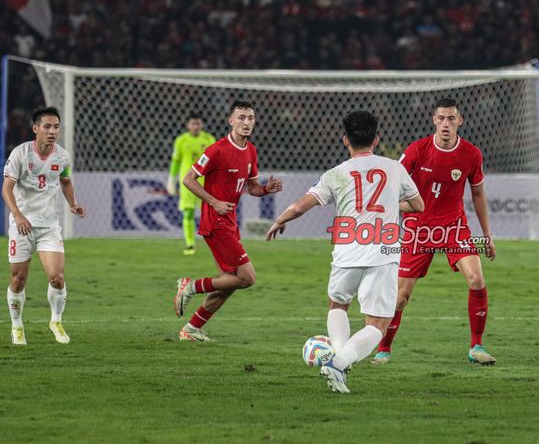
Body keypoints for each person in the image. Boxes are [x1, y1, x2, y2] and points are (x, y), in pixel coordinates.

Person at [266, 111, 424, 393]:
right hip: (382, 250)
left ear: (345, 140)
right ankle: (339, 363)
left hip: (347, 250)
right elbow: (418, 205)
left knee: (337, 304)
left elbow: (303, 204)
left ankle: (339, 358)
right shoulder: (394, 168)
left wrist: (280, 220)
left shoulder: (336, 173)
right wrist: (390, 205)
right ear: (376, 138)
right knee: (378, 324)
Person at [371, 98, 498, 366]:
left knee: (476, 279)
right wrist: (397, 209)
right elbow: (392, 189)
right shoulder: (417, 151)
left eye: (451, 119)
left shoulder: (472, 154)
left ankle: (476, 346)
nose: (446, 124)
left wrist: (487, 234)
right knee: (400, 298)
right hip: (418, 229)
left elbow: (477, 193)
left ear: (459, 122)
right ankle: (383, 349)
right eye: (441, 118)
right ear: (433, 120)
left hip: (454, 227)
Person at [173, 100, 283, 341]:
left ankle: (191, 329)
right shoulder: (216, 150)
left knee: (230, 282)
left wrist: (266, 189)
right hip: (216, 222)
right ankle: (190, 286)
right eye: (241, 117)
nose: (246, 122)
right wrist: (213, 202)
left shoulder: (251, 150)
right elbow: (189, 179)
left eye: (250, 118)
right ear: (230, 121)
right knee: (248, 277)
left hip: (230, 223)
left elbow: (252, 187)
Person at [2, 107, 87, 345]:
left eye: (56, 127)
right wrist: (18, 215)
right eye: (47, 126)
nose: (52, 131)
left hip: (49, 226)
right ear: (36, 128)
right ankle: (17, 325)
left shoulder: (62, 157)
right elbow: (6, 188)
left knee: (56, 277)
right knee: (18, 279)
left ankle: (56, 320)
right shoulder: (20, 154)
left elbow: (66, 180)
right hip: (22, 226)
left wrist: (73, 203)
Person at [167, 113, 216, 255]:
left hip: (205, 181)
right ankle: (190, 245)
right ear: (188, 125)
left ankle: (214, 243)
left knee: (211, 213)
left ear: (202, 125)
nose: (195, 126)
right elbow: (175, 161)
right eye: (193, 124)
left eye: (198, 124)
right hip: (188, 181)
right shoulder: (181, 140)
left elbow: (216, 161)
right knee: (188, 213)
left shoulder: (209, 139)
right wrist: (171, 180)